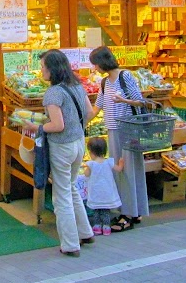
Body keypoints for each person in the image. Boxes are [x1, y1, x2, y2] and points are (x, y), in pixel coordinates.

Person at [24, 49, 95, 257]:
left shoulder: (53, 93)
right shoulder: (77, 85)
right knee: (71, 188)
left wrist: (35, 126)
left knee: (61, 195)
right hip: (78, 143)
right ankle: (85, 233)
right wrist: (76, 127)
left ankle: (71, 244)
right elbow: (89, 112)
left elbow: (57, 125)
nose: (41, 70)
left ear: (52, 69)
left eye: (43, 66)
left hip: (61, 147)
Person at [89, 46, 149, 232]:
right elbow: (97, 107)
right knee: (120, 171)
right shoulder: (105, 83)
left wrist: (123, 101)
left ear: (102, 62)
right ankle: (132, 210)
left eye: (96, 64)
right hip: (113, 129)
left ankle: (128, 215)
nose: (95, 68)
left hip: (128, 129)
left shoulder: (125, 76)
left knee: (129, 171)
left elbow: (141, 101)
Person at [83, 137, 123, 236]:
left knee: (96, 211)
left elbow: (86, 174)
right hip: (106, 192)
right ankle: (106, 227)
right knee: (105, 211)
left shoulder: (91, 164)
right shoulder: (109, 162)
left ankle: (97, 227)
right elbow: (118, 169)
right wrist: (121, 163)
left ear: (91, 152)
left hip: (96, 192)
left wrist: (85, 169)